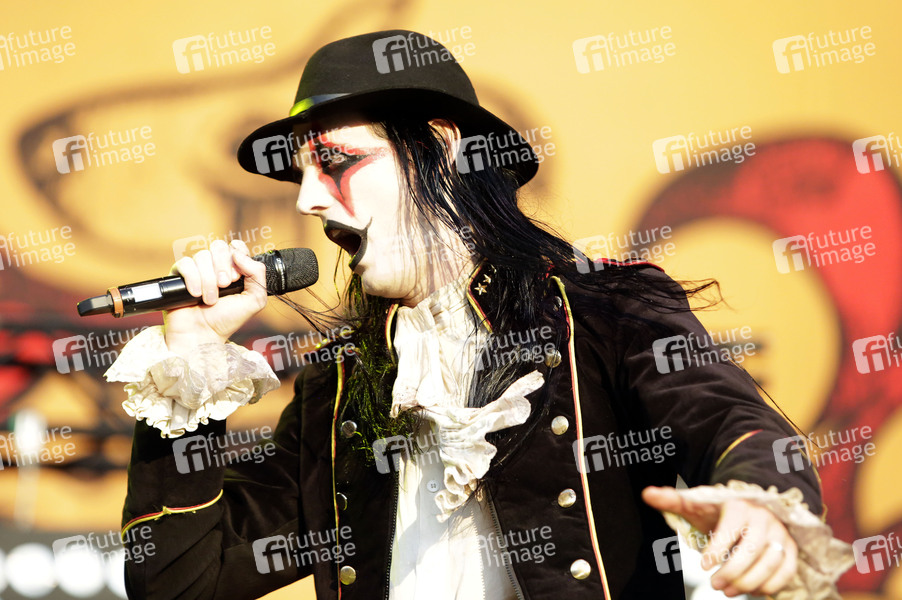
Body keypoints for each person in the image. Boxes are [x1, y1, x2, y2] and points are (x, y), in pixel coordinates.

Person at [108, 30, 853, 600]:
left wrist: (762, 505)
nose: (306, 199)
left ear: (441, 149)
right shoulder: (339, 388)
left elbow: (727, 421)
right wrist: (191, 363)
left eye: (334, 161)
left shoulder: (605, 311)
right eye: (300, 174)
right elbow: (179, 584)